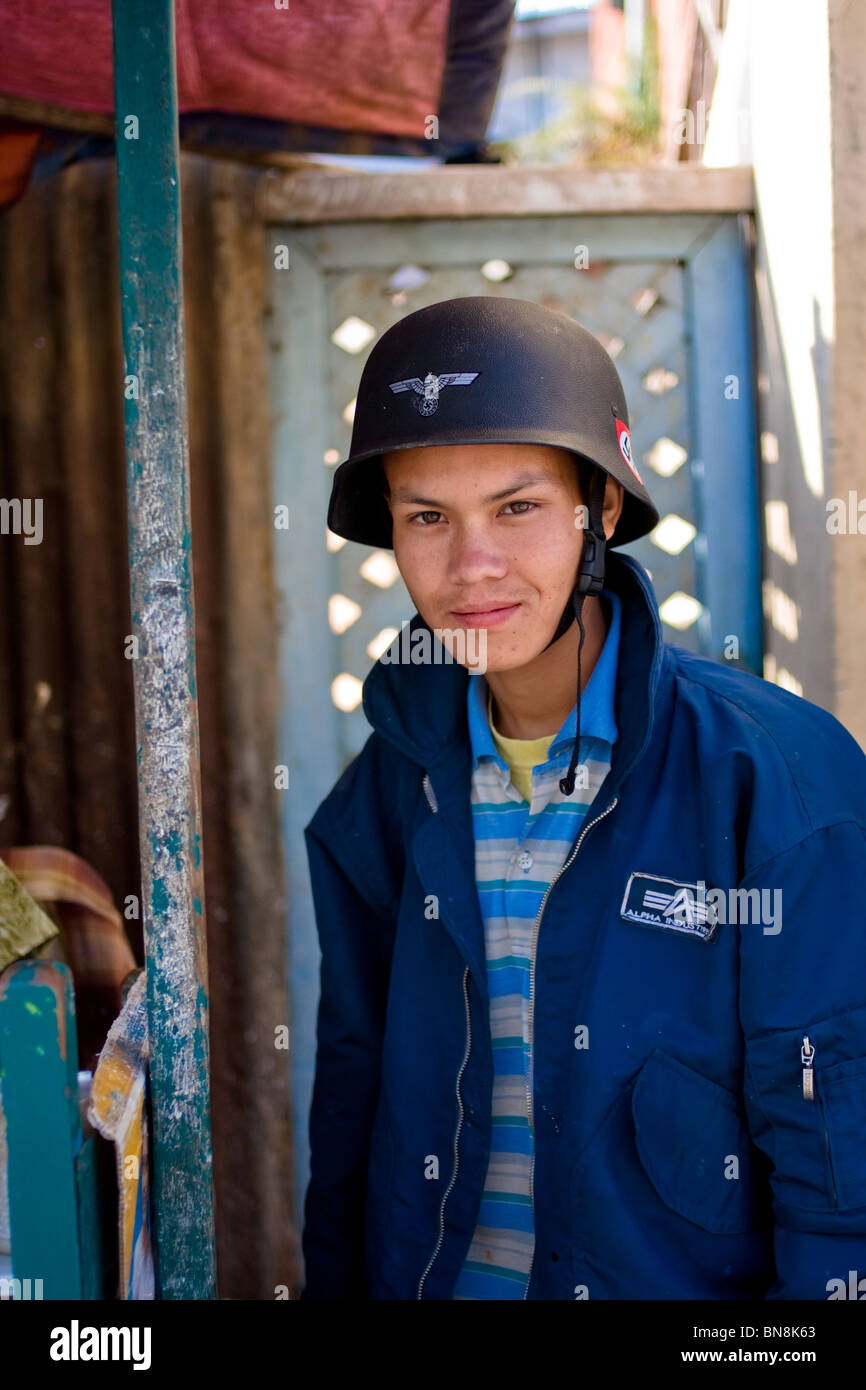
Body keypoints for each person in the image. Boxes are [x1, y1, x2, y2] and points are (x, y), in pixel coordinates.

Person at [300, 295, 866, 1300]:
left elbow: (838, 1161)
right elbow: (351, 1101)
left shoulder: (771, 778)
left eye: (516, 508)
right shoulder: (388, 789)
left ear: (598, 510)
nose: (471, 567)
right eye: (427, 516)